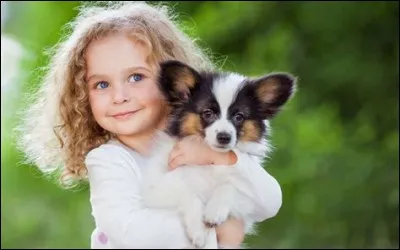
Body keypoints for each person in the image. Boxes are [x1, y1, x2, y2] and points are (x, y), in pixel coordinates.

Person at [16, 1, 283, 249]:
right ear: (83, 98)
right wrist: (217, 229)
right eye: (102, 84)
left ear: (175, 87)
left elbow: (269, 202)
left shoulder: (199, 144)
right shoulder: (109, 159)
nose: (119, 96)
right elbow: (133, 232)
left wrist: (222, 158)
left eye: (135, 77)